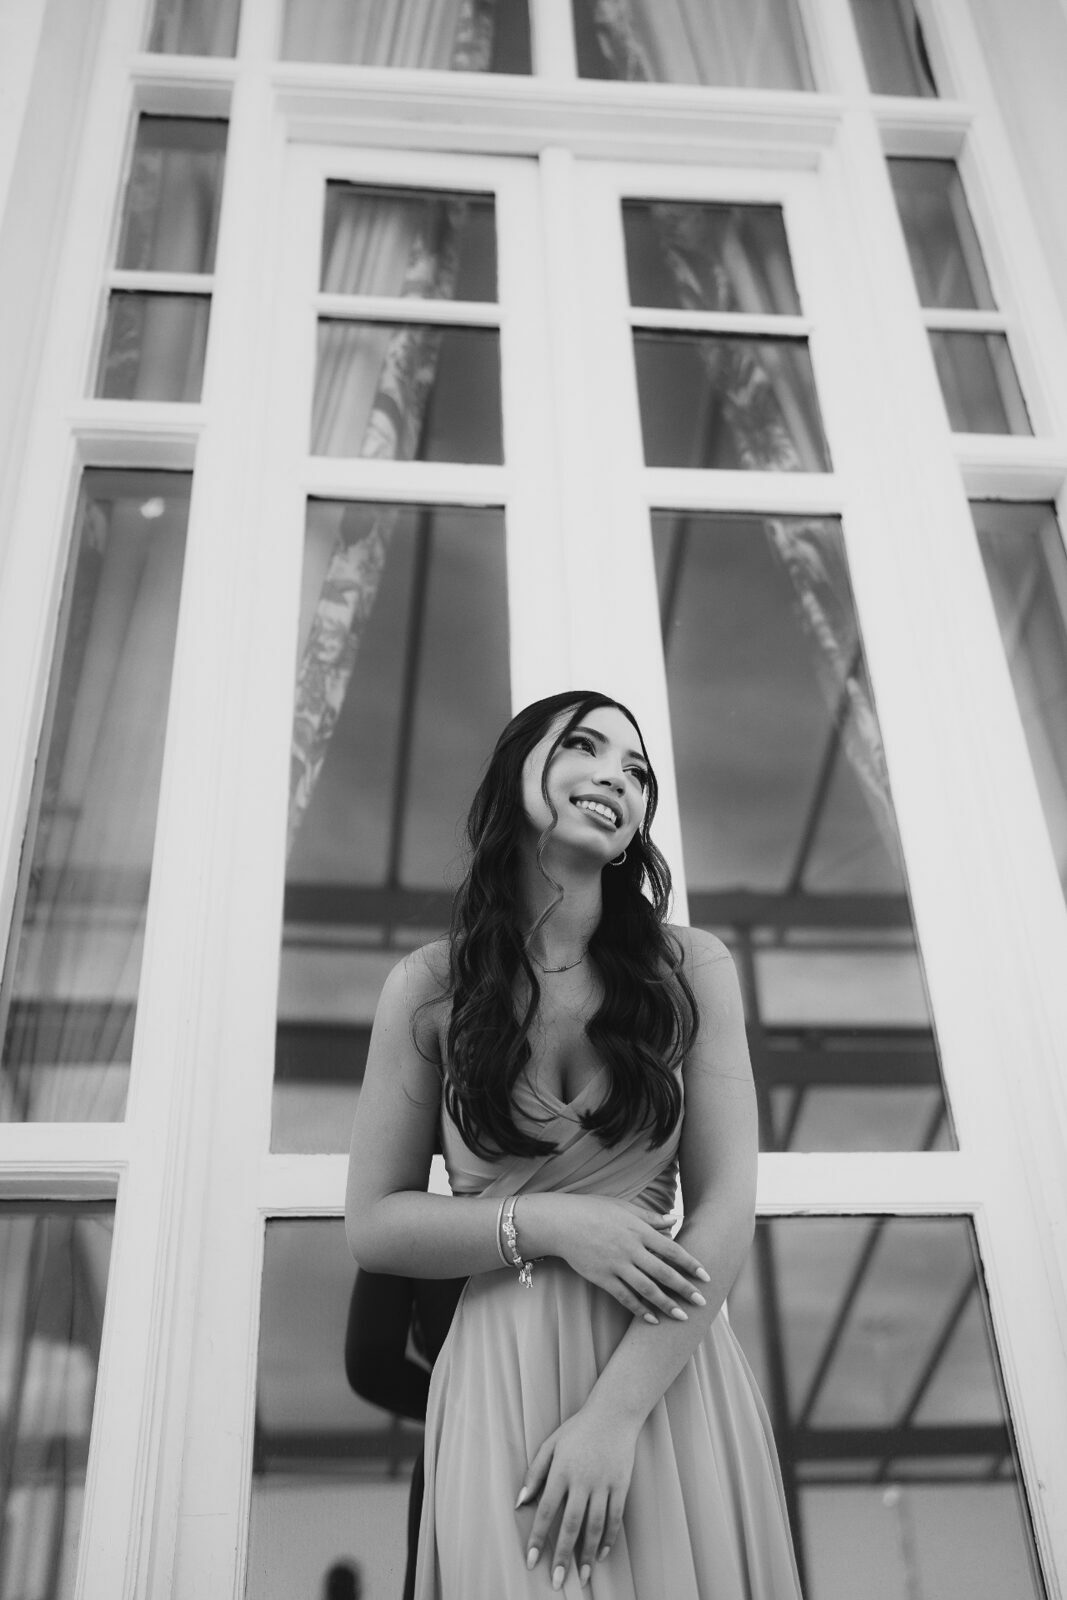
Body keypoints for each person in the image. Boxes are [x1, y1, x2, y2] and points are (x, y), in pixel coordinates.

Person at [346, 690, 803, 1598]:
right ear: (515, 773)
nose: (615, 776)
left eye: (636, 771)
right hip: (496, 1385)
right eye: (584, 747)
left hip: (665, 1377)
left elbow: (724, 1210)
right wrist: (551, 1223)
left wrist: (614, 1417)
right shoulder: (426, 989)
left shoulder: (692, 969)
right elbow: (374, 1224)